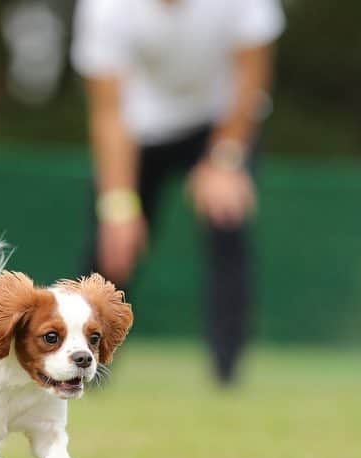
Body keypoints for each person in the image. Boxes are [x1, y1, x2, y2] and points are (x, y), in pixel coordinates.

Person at [72, 0, 284, 385]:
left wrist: (225, 159)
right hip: (138, 129)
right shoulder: (105, 7)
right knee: (111, 250)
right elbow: (108, 112)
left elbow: (251, 79)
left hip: (217, 122)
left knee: (228, 226)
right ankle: (83, 370)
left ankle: (227, 376)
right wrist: (118, 205)